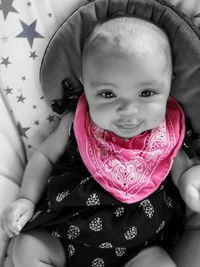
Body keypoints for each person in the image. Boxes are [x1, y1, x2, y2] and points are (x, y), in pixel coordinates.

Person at [1, 16, 200, 267]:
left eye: (146, 93)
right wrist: (26, 199)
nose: (128, 110)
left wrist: (190, 184)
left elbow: (184, 170)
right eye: (108, 94)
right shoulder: (75, 124)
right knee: (26, 247)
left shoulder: (168, 132)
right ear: (86, 86)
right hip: (66, 236)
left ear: (170, 81)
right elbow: (44, 157)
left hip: (140, 250)